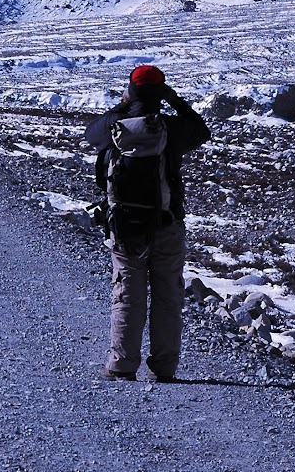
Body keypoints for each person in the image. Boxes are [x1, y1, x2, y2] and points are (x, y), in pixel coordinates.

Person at [85, 64, 210, 382]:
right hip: (166, 224)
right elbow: (201, 131)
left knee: (128, 293)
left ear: (132, 90)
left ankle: (123, 364)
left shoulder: (115, 126)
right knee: (168, 295)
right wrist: (175, 101)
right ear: (160, 93)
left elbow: (90, 134)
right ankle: (163, 368)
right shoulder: (170, 127)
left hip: (125, 228)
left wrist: (123, 104)